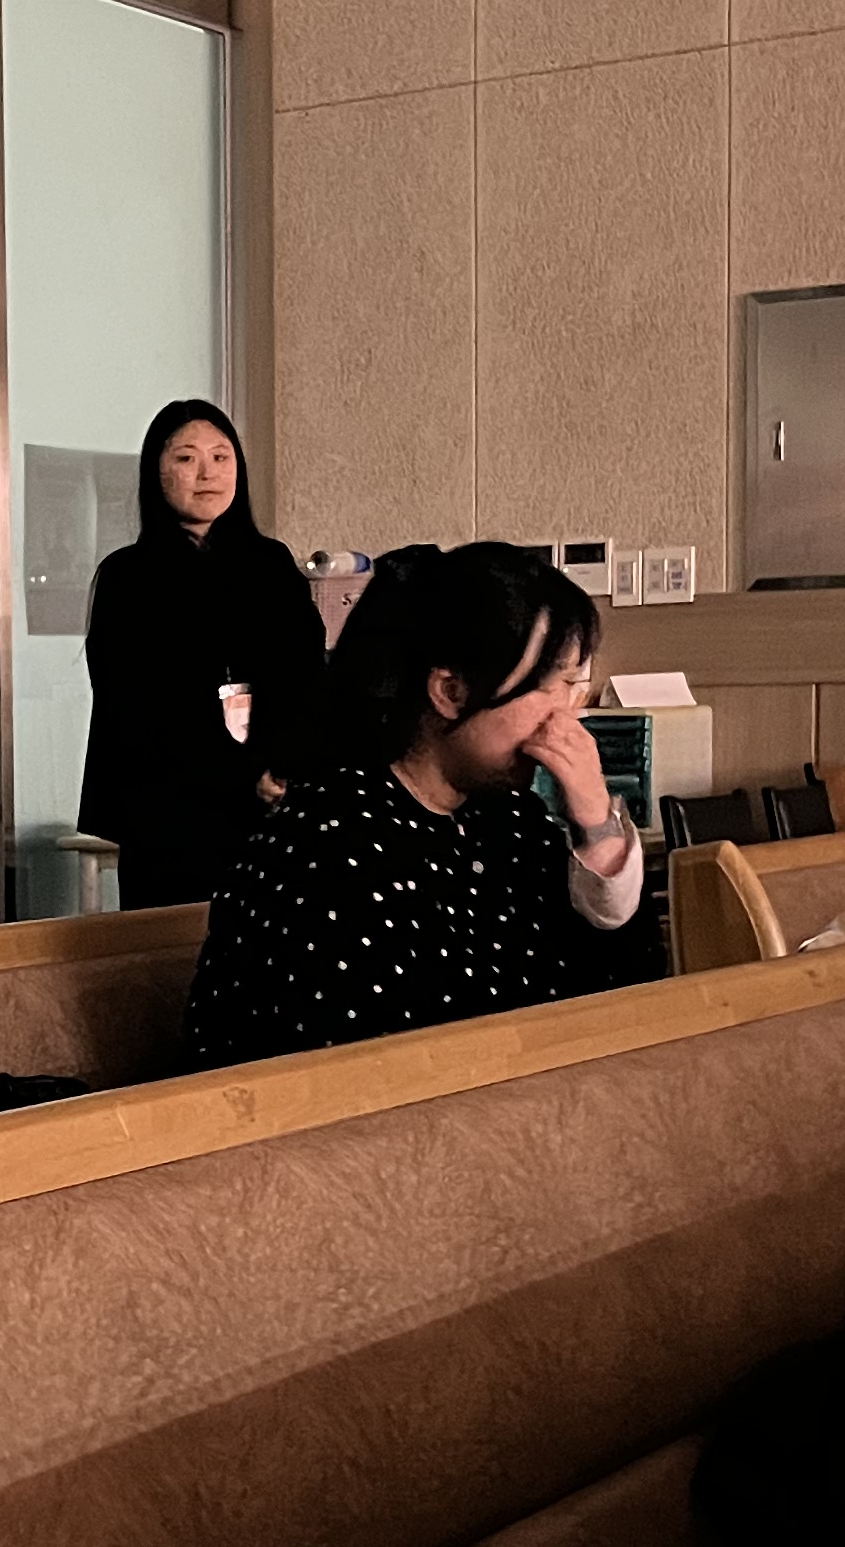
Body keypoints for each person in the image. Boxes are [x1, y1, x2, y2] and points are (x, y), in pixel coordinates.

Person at [181, 539, 646, 1069]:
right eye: (551, 685)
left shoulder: (509, 818)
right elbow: (388, 1065)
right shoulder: (326, 845)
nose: (564, 717)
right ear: (450, 692)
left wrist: (596, 827)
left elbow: (624, 994)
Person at [74, 399, 329, 910]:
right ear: (156, 472)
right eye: (186, 458)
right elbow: (135, 707)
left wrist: (279, 767)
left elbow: (305, 679)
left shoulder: (272, 564)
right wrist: (242, 775)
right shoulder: (128, 576)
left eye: (221, 457)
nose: (207, 473)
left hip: (272, 812)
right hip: (170, 816)